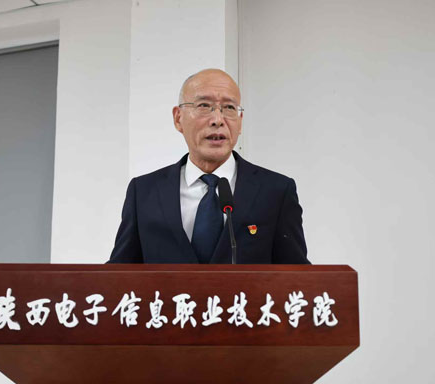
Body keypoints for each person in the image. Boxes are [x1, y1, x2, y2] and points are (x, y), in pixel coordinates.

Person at [109, 69, 309, 264]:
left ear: (240, 122)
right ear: (178, 118)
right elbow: (118, 274)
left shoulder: (276, 191)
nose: (218, 120)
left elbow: (297, 277)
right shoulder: (144, 192)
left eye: (229, 108)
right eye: (204, 106)